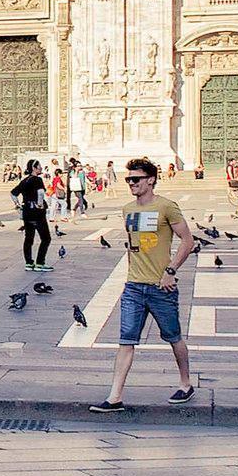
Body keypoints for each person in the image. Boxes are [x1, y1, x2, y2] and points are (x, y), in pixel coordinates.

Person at [91, 156, 197, 412]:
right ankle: (115, 396)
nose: (131, 184)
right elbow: (132, 246)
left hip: (162, 287)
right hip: (134, 287)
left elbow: (187, 241)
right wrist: (130, 273)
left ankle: (185, 383)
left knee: (173, 337)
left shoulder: (166, 207)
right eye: (129, 180)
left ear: (150, 180)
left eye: (136, 179)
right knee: (126, 340)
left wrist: (170, 271)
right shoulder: (128, 209)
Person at [12, 158, 52, 272]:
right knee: (46, 238)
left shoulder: (24, 180)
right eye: (39, 166)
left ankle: (29, 263)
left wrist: (18, 205)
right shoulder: (37, 179)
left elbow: (13, 193)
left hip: (27, 212)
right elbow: (40, 192)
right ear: (34, 168)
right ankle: (40, 263)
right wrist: (39, 204)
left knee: (29, 238)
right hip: (37, 212)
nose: (41, 168)